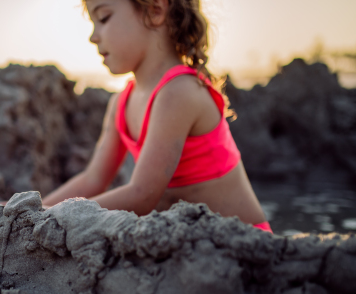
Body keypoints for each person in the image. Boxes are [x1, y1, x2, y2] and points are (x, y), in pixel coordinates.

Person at [41, 0, 272, 233]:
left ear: (155, 11)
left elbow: (142, 195)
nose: (93, 36)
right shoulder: (121, 102)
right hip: (191, 245)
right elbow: (93, 179)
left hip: (246, 244)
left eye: (103, 19)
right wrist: (34, 208)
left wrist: (51, 215)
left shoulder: (179, 91)